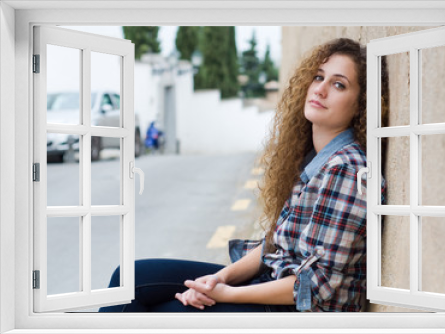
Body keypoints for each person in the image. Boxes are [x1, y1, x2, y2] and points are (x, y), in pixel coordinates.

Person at [99, 37, 388, 313]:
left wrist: (228, 294)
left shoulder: (347, 170)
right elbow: (274, 244)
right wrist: (219, 279)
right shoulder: (316, 160)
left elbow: (316, 287)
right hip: (274, 287)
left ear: (360, 105)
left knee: (158, 313)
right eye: (318, 77)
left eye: (338, 84)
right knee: (130, 279)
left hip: (298, 312)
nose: (320, 89)